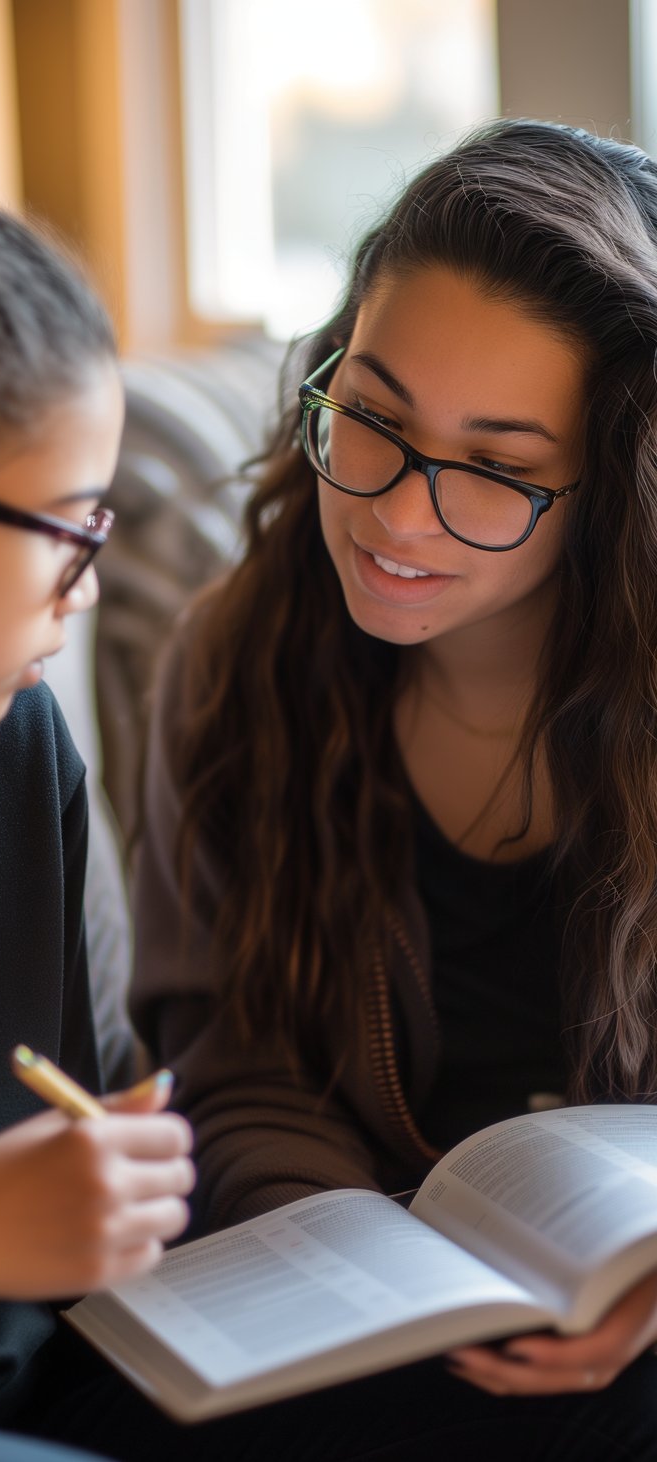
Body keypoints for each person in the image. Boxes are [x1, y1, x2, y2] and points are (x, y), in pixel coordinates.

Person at [130, 118, 657, 1459]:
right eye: (369, 415)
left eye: (494, 467)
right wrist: (366, 1284)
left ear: (612, 492)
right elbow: (226, 1055)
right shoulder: (235, 666)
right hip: (355, 1324)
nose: (397, 515)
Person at [0, 64, 197, 1462]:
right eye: (67, 527)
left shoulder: (18, 745)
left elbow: (107, 1081)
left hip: (68, 1387)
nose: (89, 582)